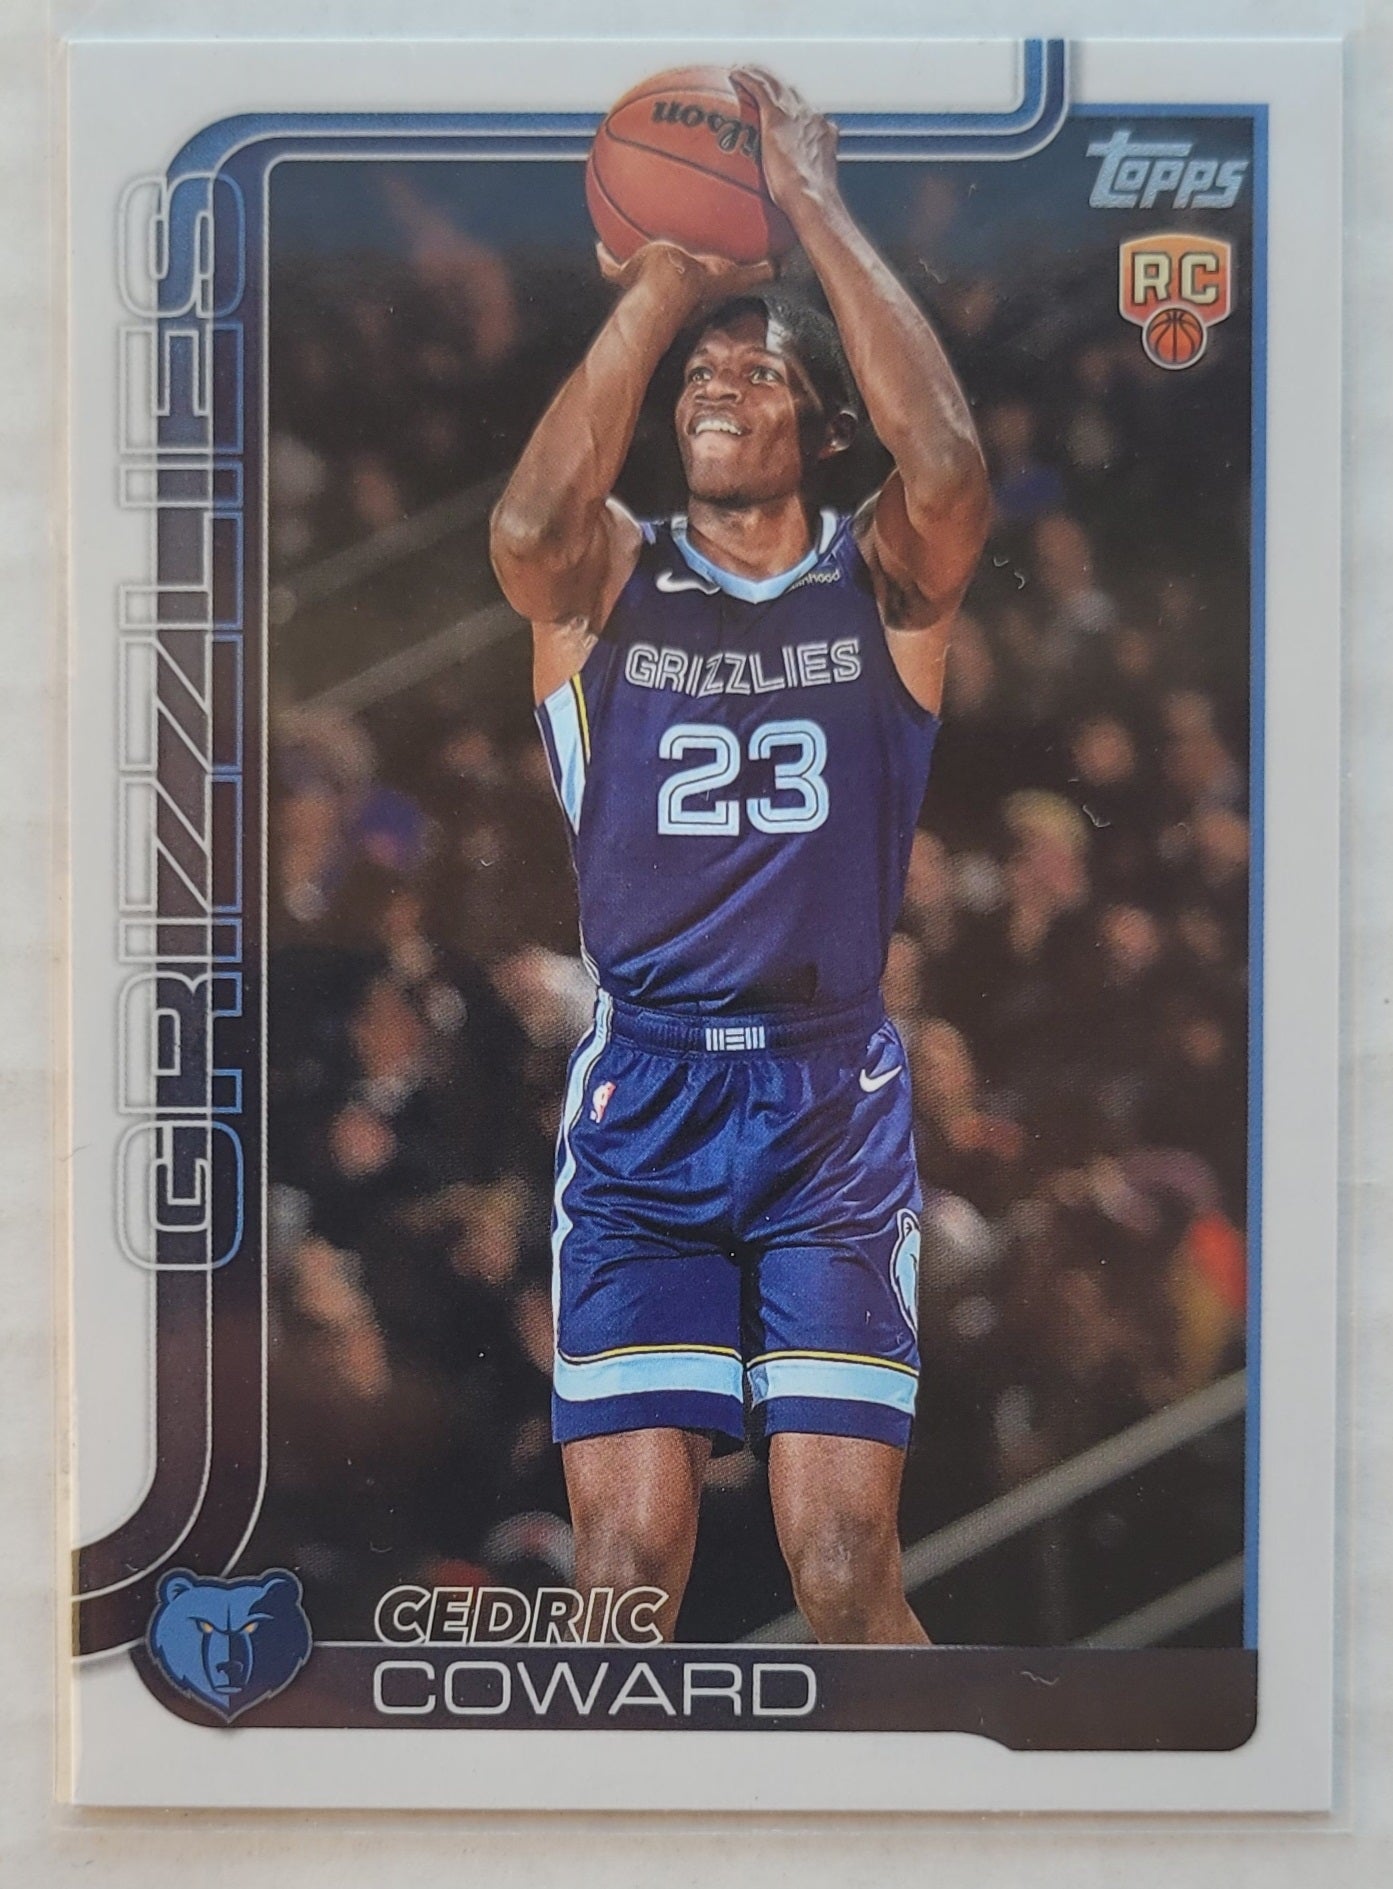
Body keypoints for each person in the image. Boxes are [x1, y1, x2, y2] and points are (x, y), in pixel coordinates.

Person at [489, 68, 989, 1643]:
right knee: (626, 1569)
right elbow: (523, 531)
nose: (717, 382)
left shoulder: (881, 584)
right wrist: (662, 284)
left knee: (838, 1567)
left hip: (827, 1099)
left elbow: (948, 467)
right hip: (644, 1094)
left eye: (757, 369)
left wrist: (810, 203)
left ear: (824, 427)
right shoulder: (606, 577)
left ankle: (932, 1796)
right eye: (701, 372)